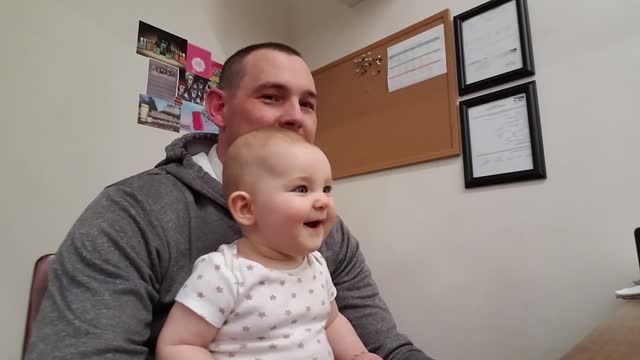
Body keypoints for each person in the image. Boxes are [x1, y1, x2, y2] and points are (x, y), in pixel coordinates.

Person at [26, 42, 433, 360]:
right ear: (219, 107)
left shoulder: (325, 231)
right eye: (272, 97)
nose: (296, 116)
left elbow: (381, 342)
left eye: (307, 103)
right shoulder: (131, 212)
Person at [156, 128, 382, 360]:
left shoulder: (316, 264)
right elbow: (179, 345)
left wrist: (358, 354)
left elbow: (332, 322)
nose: (323, 200)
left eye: (326, 189)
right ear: (246, 208)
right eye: (302, 189)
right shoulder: (223, 273)